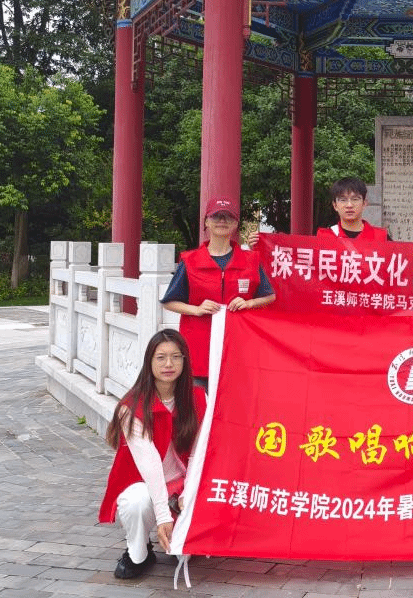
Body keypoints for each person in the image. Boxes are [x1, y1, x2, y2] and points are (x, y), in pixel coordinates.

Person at [99, 329, 207, 579]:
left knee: (183, 552)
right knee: (136, 502)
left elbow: (199, 454)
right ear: (149, 361)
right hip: (145, 483)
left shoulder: (198, 398)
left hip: (183, 482)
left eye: (176, 357)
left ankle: (181, 533)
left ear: (185, 361)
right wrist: (163, 517)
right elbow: (150, 466)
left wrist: (188, 495)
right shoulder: (132, 407)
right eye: (161, 357)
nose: (169, 364)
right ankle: (138, 553)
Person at [162, 198, 275, 387]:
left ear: (236, 223)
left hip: (239, 348)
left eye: (228, 217)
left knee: (236, 401)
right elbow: (169, 301)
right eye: (216, 216)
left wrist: (249, 303)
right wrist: (196, 309)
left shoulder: (250, 260)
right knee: (198, 401)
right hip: (199, 349)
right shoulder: (190, 261)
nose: (222, 221)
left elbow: (269, 296)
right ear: (206, 221)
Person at [317, 177, 390, 241]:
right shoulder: (324, 237)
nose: (349, 205)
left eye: (355, 199)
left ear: (364, 203)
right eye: (343, 200)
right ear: (335, 205)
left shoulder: (381, 237)